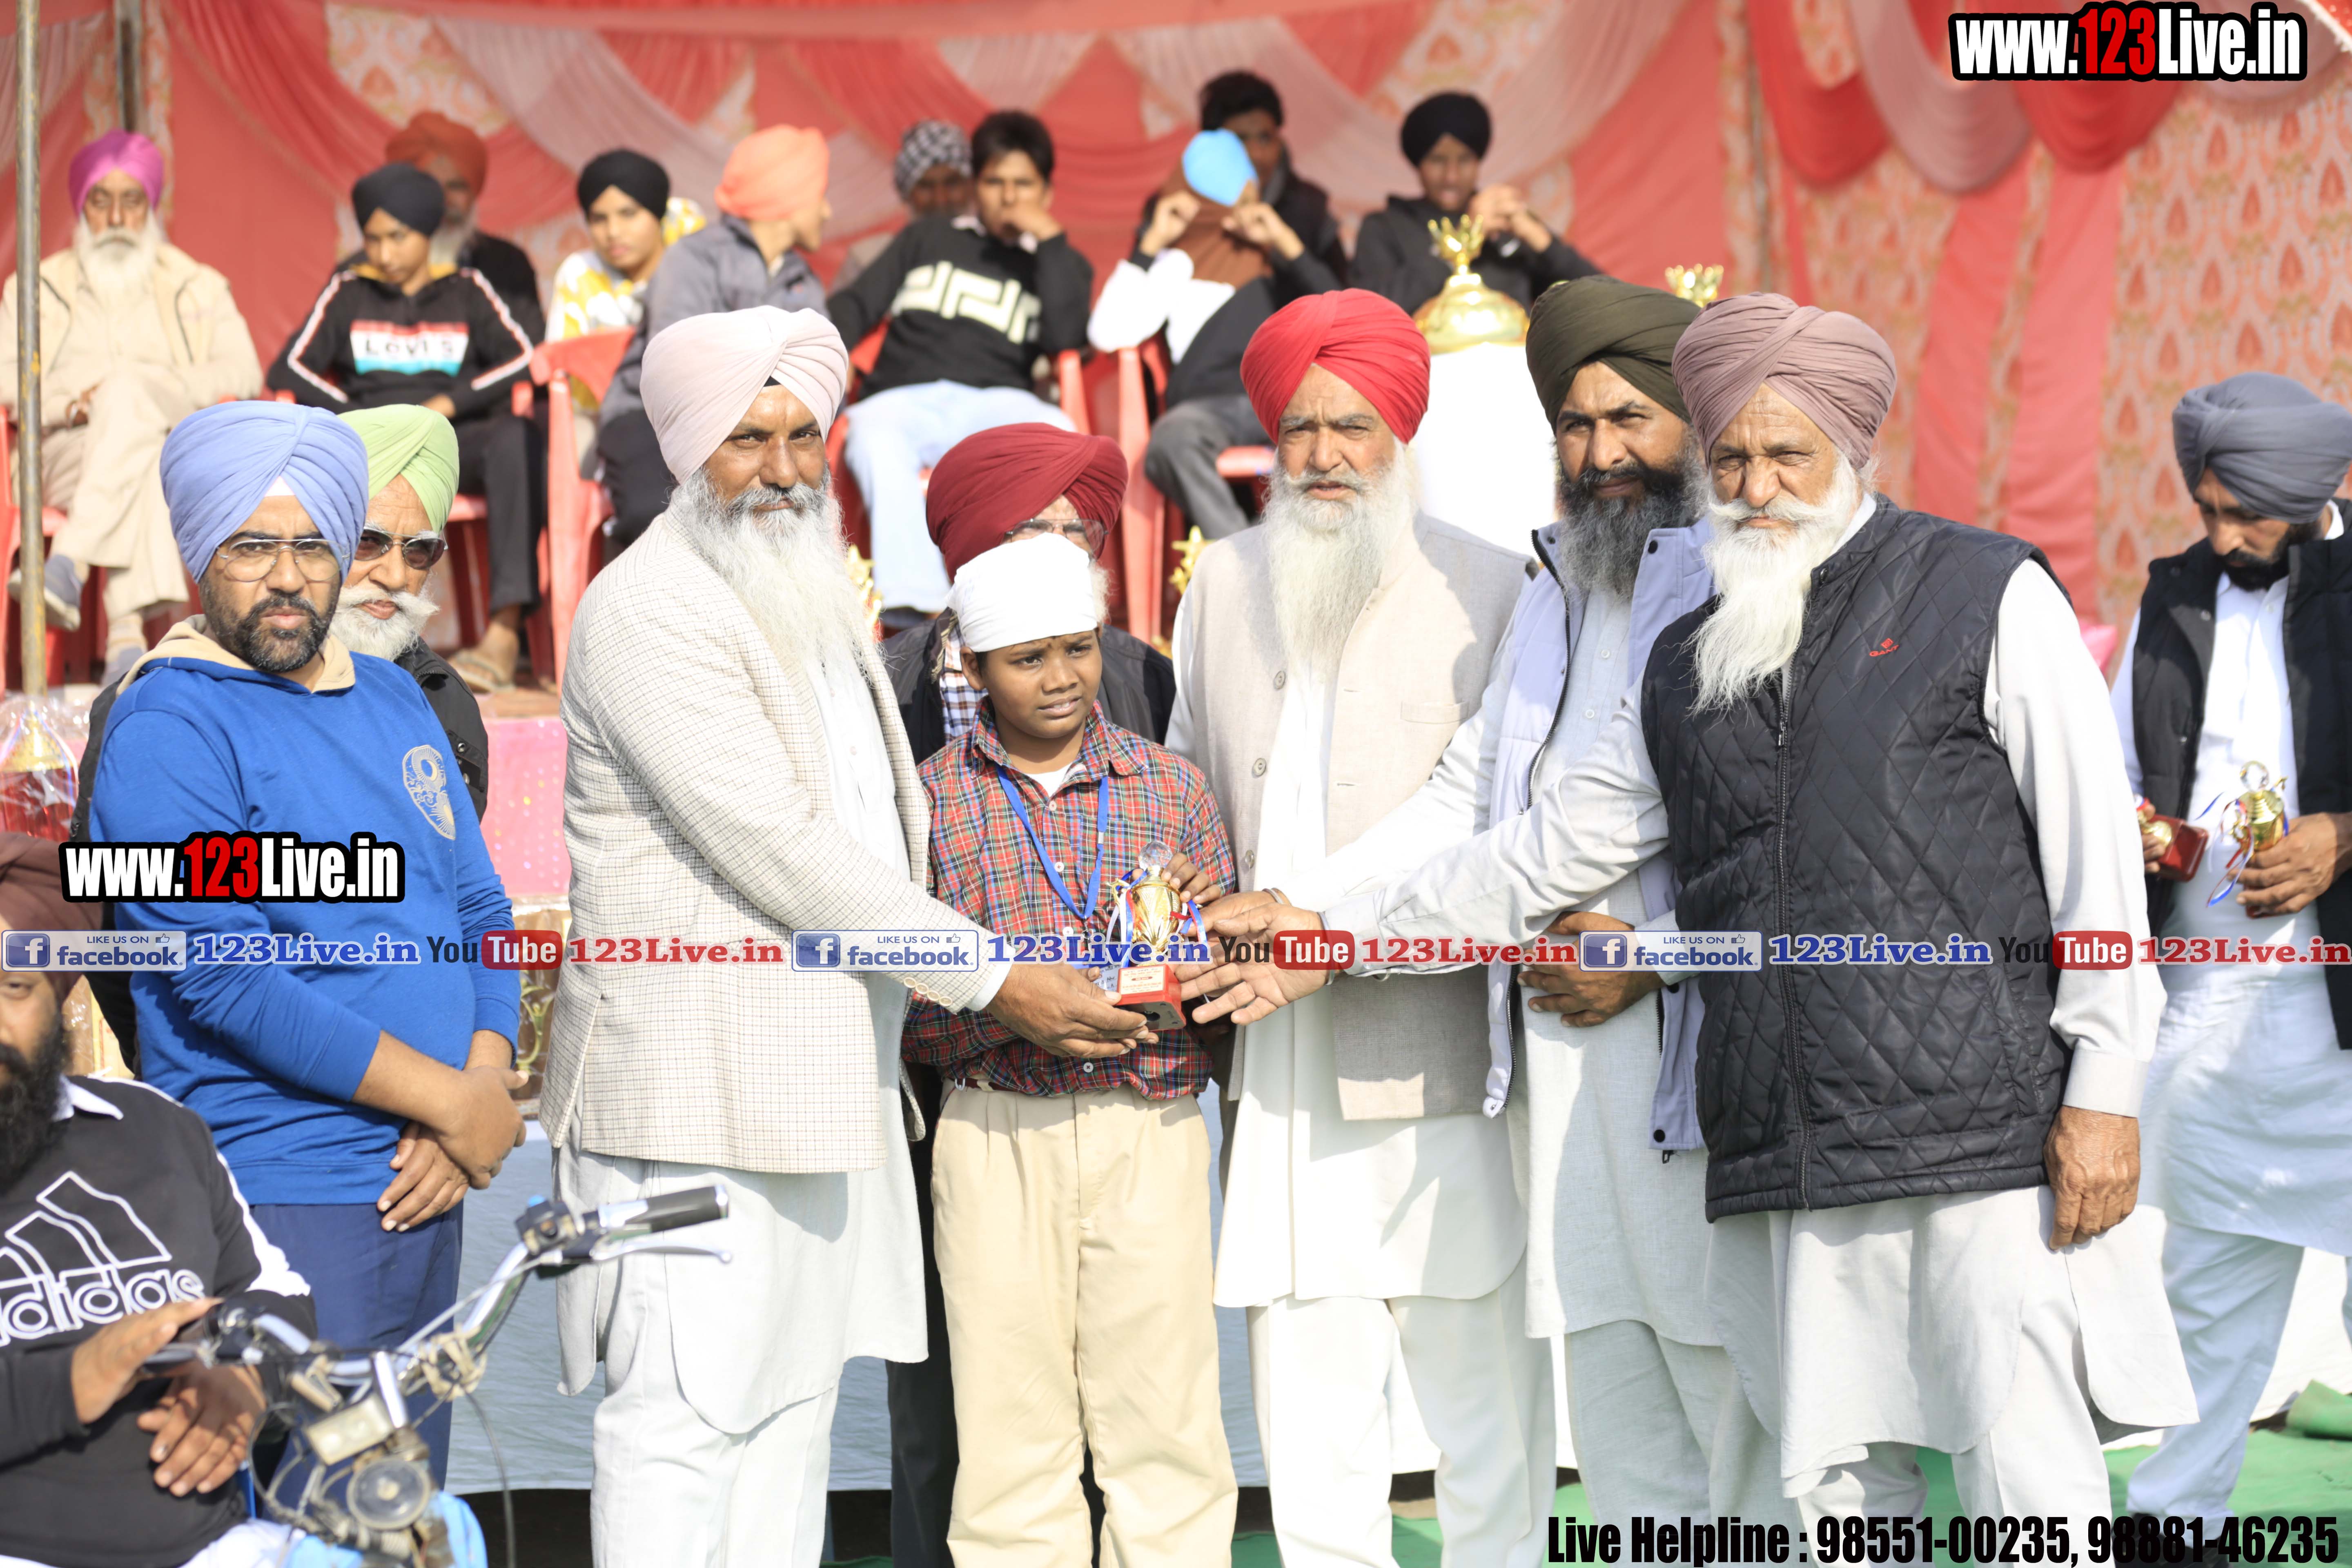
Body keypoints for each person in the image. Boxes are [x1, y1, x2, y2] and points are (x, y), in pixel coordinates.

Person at [1194, 292, 2198, 1530]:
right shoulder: (1694, 649)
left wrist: (2104, 1093)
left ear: (1851, 448)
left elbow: (2096, 870)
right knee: (1834, 1488)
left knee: (2023, 1477)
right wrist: (1330, 930)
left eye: (1787, 454)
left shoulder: (1985, 592)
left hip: (1977, 1133)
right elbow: (1572, 850)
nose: (1756, 485)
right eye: (1732, 457)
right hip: (1783, 1133)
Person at [543, 306, 1157, 1568]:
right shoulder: (651, 607)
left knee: (790, 1431)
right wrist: (996, 976)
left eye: (801, 438)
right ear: (687, 450)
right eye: (747, 439)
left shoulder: (809, 591)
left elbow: (879, 832)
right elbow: (777, 843)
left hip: (819, 1090)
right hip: (691, 1102)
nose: (781, 469)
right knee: (684, 1431)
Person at [1263, 277, 1788, 1530]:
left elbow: (1597, 836)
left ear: (1693, 425)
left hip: (1695, 1062)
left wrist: (1656, 955)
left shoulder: (1742, 590)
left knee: (1734, 1409)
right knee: (1616, 1413)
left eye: (1629, 418)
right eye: (1575, 424)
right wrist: (1299, 904)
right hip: (1559, 1068)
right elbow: (1469, 791)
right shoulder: (1559, 584)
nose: (1602, 454)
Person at [1167, 289, 1554, 1566]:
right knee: (1309, 1397)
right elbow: (1185, 777)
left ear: (1402, 431)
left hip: (1429, 1047)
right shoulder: (1223, 582)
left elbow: (1484, 818)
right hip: (1275, 1066)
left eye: (1354, 426)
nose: (1325, 454)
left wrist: (1319, 923)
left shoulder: (1494, 587)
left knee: (1482, 1406)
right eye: (1301, 428)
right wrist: (1179, 893)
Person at [87, 400, 525, 1486]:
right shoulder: (171, 723)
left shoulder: (396, 697)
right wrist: (449, 1101)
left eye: (314, 545)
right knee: (301, 1519)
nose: (287, 578)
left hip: (429, 1179)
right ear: (202, 557)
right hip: (286, 1192)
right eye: (252, 548)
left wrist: (480, 1080)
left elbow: (479, 909)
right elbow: (226, 979)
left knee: (395, 1513)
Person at [902, 532, 1238, 1564]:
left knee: (1166, 1424)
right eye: (1027, 658)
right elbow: (897, 1001)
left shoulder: (1171, 789)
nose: (1060, 678)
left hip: (1150, 1126)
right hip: (992, 1128)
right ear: (970, 667)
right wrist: (1005, 1004)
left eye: (1078, 648)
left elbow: (1222, 982)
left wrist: (1194, 952)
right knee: (1009, 1435)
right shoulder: (925, 800)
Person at [2116, 372, 2352, 1532]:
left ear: (2316, 492)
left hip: (2338, 1030)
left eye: (2244, 513)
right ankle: (2174, 1530)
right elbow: (2119, 767)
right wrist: (2139, 827)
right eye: (2205, 508)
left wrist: (2342, 835)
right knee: (2204, 1301)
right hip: (2210, 1016)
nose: (2220, 535)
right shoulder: (2173, 595)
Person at [0, 832, 318, 1568]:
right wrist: (77, 1377)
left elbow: (280, 1300)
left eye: (14, 986)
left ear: (58, 996)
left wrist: (245, 1376)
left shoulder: (156, 1127)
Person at [0, 130, 261, 684]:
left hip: (167, 452)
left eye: (132, 200)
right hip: (61, 455)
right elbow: (6, 378)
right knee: (142, 452)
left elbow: (242, 370)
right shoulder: (36, 287)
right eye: (101, 201)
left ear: (151, 206)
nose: (117, 217)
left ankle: (68, 564)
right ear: (81, 206)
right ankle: (125, 636)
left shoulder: (195, 285)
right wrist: (73, 406)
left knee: (134, 408)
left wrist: (151, 387)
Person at [270, 163, 539, 695]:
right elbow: (290, 367)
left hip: (447, 441)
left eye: (398, 237)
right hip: (371, 450)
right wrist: (354, 415)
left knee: (516, 439)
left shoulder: (466, 289)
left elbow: (524, 358)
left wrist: (447, 403)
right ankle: (326, 637)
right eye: (373, 239)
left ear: (428, 234)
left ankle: (505, 634)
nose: (384, 253)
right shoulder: (350, 290)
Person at [830, 111, 1095, 615]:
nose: (1009, 197)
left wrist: (1050, 242)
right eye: (995, 182)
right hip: (903, 398)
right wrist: (829, 351)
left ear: (1046, 192)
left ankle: (1040, 604)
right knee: (871, 435)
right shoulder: (928, 237)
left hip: (998, 402)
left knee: (1057, 435)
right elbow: (855, 304)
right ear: (976, 186)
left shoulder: (1060, 263)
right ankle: (916, 606)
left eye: (1023, 184)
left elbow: (1065, 339)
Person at [1090, 127, 1343, 540]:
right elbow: (1107, 332)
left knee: (1340, 431)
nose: (1241, 214)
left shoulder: (1274, 261)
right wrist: (1150, 244)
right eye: (1233, 201)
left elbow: (1341, 314)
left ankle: (1313, 550)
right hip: (1208, 409)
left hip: (1281, 401)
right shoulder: (1176, 265)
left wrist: (1282, 240)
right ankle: (1243, 556)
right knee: (1172, 442)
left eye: (1249, 200)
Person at [594, 125, 831, 556]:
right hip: (653, 419)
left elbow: (822, 374)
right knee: (658, 513)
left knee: (795, 511)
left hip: (758, 430)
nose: (827, 211)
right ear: (788, 196)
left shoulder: (802, 281)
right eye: (819, 195)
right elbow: (679, 362)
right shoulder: (695, 257)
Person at [884, 423, 1173, 762]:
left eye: (1077, 529)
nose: (1059, 546)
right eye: (1033, 527)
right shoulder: (886, 680)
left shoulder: (1147, 678)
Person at [1352, 92, 1596, 318]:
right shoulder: (1385, 227)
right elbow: (1371, 313)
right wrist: (1466, 237)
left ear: (1478, 162)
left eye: (1464, 160)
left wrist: (1541, 240)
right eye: (1437, 160)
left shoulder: (1503, 220)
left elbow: (1600, 302)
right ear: (1419, 165)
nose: (1451, 176)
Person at [548, 148, 707, 418]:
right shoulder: (580, 275)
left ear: (658, 214)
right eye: (599, 219)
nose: (613, 232)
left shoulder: (693, 252)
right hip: (606, 418)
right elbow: (562, 372)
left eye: (628, 214)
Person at [386, 110, 545, 343]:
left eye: (456, 187)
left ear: (474, 194)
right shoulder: (372, 267)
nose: (443, 199)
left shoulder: (509, 265)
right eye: (431, 186)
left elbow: (531, 350)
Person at [833, 121, 974, 294]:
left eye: (952, 184)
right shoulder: (868, 259)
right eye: (926, 186)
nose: (940, 200)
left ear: (971, 188)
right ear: (907, 193)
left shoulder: (994, 258)